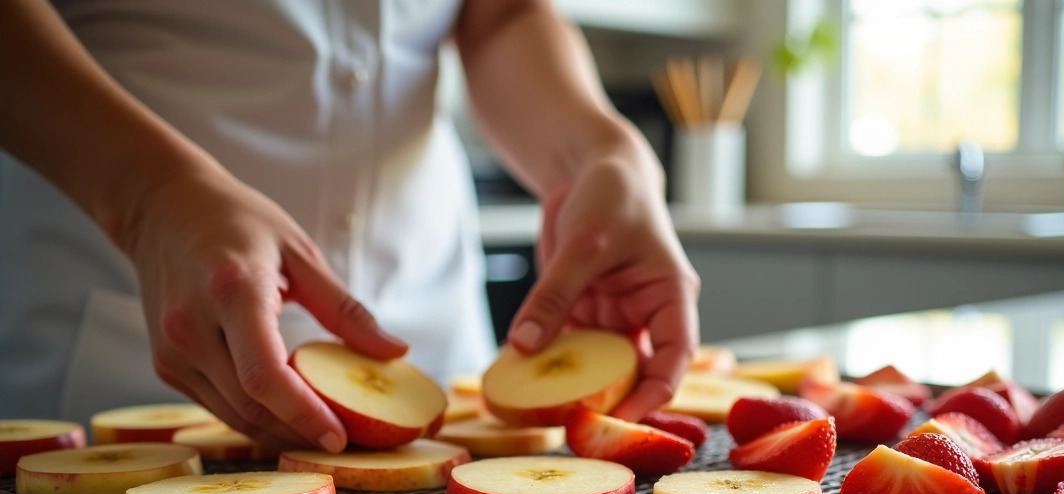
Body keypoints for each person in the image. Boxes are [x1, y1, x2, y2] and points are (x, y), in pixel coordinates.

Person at [0, 0, 700, 453]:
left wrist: (601, 151)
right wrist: (148, 196)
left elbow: (502, 14)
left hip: (432, 333)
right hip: (119, 326)